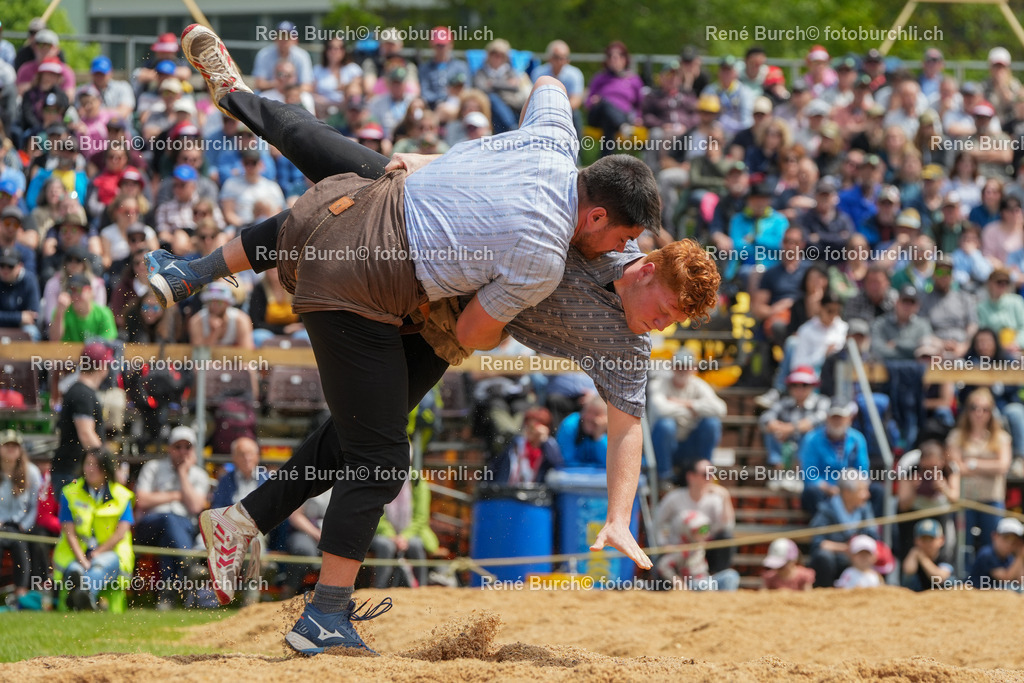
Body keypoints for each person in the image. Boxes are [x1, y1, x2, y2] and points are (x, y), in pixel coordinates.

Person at [154, 25, 712, 654]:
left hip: (437, 325)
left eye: (673, 325)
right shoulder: (559, 244)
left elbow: (628, 425)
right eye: (664, 311)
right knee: (350, 169)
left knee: (356, 435)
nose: (661, 329)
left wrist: (618, 515)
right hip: (414, 269)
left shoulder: (626, 342)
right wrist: (476, 165)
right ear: (639, 262)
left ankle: (241, 520)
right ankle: (233, 118)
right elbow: (550, 84)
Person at [133, 425, 210, 610]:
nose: (182, 451)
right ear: (169, 448)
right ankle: (188, 563)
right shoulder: (153, 467)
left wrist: (183, 474)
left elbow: (195, 506)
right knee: (169, 518)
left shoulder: (199, 475)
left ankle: (167, 594)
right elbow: (141, 500)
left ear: (193, 450)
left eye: (187, 447)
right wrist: (177, 495)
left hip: (182, 530)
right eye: (178, 447)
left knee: (169, 536)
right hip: (149, 525)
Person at [53, 448, 134, 611]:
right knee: (76, 568)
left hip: (109, 553)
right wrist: (82, 559)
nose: (90, 469)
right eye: (87, 464)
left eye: (96, 465)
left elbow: (120, 533)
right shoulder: (69, 492)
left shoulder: (122, 495)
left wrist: (97, 553)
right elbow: (69, 533)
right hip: (76, 553)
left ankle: (81, 592)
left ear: (106, 468)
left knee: (100, 564)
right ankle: (85, 597)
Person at [946, 388, 1012, 551]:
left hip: (992, 499)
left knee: (993, 547)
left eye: (985, 409)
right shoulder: (956, 435)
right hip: (965, 500)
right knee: (963, 547)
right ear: (967, 410)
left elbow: (1003, 466)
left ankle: (990, 577)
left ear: (991, 412)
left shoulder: (1001, 437)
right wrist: (989, 465)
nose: (979, 413)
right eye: (974, 408)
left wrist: (972, 463)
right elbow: (956, 467)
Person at [647, 348, 726, 480]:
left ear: (694, 368)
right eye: (679, 365)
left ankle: (704, 472)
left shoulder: (699, 385)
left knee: (712, 423)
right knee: (666, 425)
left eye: (686, 366)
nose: (682, 369)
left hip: (690, 445)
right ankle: (664, 477)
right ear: (672, 367)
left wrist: (688, 404)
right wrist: (694, 411)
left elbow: (721, 409)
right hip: (664, 446)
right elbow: (661, 410)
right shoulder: (659, 384)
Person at [655, 459, 736, 575]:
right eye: (706, 474)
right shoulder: (674, 498)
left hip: (703, 551)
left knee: (726, 537)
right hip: (678, 551)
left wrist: (726, 497)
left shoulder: (715, 500)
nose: (710, 477)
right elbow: (657, 522)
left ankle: (715, 578)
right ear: (691, 476)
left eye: (712, 473)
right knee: (664, 564)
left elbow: (727, 527)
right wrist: (663, 544)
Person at [51, 343, 109, 496]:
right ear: (102, 366)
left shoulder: (80, 391)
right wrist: (108, 466)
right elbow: (86, 435)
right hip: (72, 474)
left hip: (72, 471)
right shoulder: (82, 394)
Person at [368, 470, 438, 588]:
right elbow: (374, 513)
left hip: (410, 534)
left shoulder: (417, 480)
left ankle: (421, 588)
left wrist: (404, 536)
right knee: (386, 545)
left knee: (416, 544)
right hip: (382, 534)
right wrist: (391, 535)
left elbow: (421, 517)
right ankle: (380, 588)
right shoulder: (377, 477)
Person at [807, 471, 877, 587]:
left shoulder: (864, 510)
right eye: (862, 490)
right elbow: (818, 542)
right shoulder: (827, 510)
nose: (867, 495)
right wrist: (845, 549)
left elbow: (873, 535)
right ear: (847, 493)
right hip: (834, 560)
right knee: (823, 557)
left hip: (857, 560)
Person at [798, 402, 869, 515]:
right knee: (812, 493)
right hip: (823, 491)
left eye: (840, 418)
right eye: (834, 418)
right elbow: (809, 474)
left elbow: (862, 471)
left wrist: (852, 490)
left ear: (849, 419)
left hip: (851, 490)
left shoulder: (857, 439)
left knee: (877, 492)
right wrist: (829, 489)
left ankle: (872, 530)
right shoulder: (811, 439)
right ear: (827, 418)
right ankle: (824, 528)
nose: (837, 422)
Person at [759, 367, 830, 479]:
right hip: (788, 446)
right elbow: (765, 419)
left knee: (810, 435)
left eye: (804, 385)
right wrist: (777, 427)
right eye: (795, 385)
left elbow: (816, 421)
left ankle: (799, 472)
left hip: (813, 451)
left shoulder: (822, 401)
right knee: (771, 432)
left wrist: (787, 429)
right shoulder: (784, 402)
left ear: (813, 386)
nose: (799, 389)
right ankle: (781, 469)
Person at [0, 430, 42, 604]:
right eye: (7, 445)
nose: (11, 449)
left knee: (20, 546)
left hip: (20, 526)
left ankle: (21, 593)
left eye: (14, 446)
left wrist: (25, 524)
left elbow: (35, 506)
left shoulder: (31, 472)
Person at [656, 509, 740, 591]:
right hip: (693, 583)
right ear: (690, 532)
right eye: (702, 530)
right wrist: (679, 583)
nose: (706, 533)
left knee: (731, 576)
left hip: (706, 580)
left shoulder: (700, 545)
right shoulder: (682, 549)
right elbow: (663, 565)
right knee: (707, 585)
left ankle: (724, 601)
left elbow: (724, 524)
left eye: (706, 528)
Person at [488, 406, 562, 484]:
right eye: (527, 425)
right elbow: (496, 465)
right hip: (511, 490)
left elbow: (557, 466)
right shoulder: (516, 443)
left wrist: (544, 439)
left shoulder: (549, 445)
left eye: (533, 427)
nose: (529, 430)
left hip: (537, 492)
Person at [968, 516, 1024, 590]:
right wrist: (1020, 557)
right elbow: (1005, 578)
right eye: (1006, 538)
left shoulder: (1010, 557)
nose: (1009, 544)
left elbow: (1020, 580)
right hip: (975, 594)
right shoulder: (986, 554)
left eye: (1014, 541)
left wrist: (1019, 554)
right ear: (995, 536)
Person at [556, 395, 609, 468]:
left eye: (596, 414)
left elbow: (608, 463)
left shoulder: (610, 429)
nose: (590, 418)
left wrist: (599, 436)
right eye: (588, 412)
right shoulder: (569, 425)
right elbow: (567, 461)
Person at [901, 518, 954, 591]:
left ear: (941, 540)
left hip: (941, 595)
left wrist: (922, 558)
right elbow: (908, 572)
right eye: (924, 539)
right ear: (916, 541)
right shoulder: (914, 552)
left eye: (931, 539)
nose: (927, 544)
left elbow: (940, 578)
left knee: (950, 581)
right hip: (918, 594)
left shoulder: (945, 556)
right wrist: (914, 554)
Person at [0, 246, 40, 341]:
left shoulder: (29, 280)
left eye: (10, 266)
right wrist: (19, 317)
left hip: (22, 328)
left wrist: (5, 317)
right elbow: (25, 318)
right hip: (7, 325)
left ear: (20, 266)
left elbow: (33, 317)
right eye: (2, 265)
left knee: (32, 332)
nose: (5, 270)